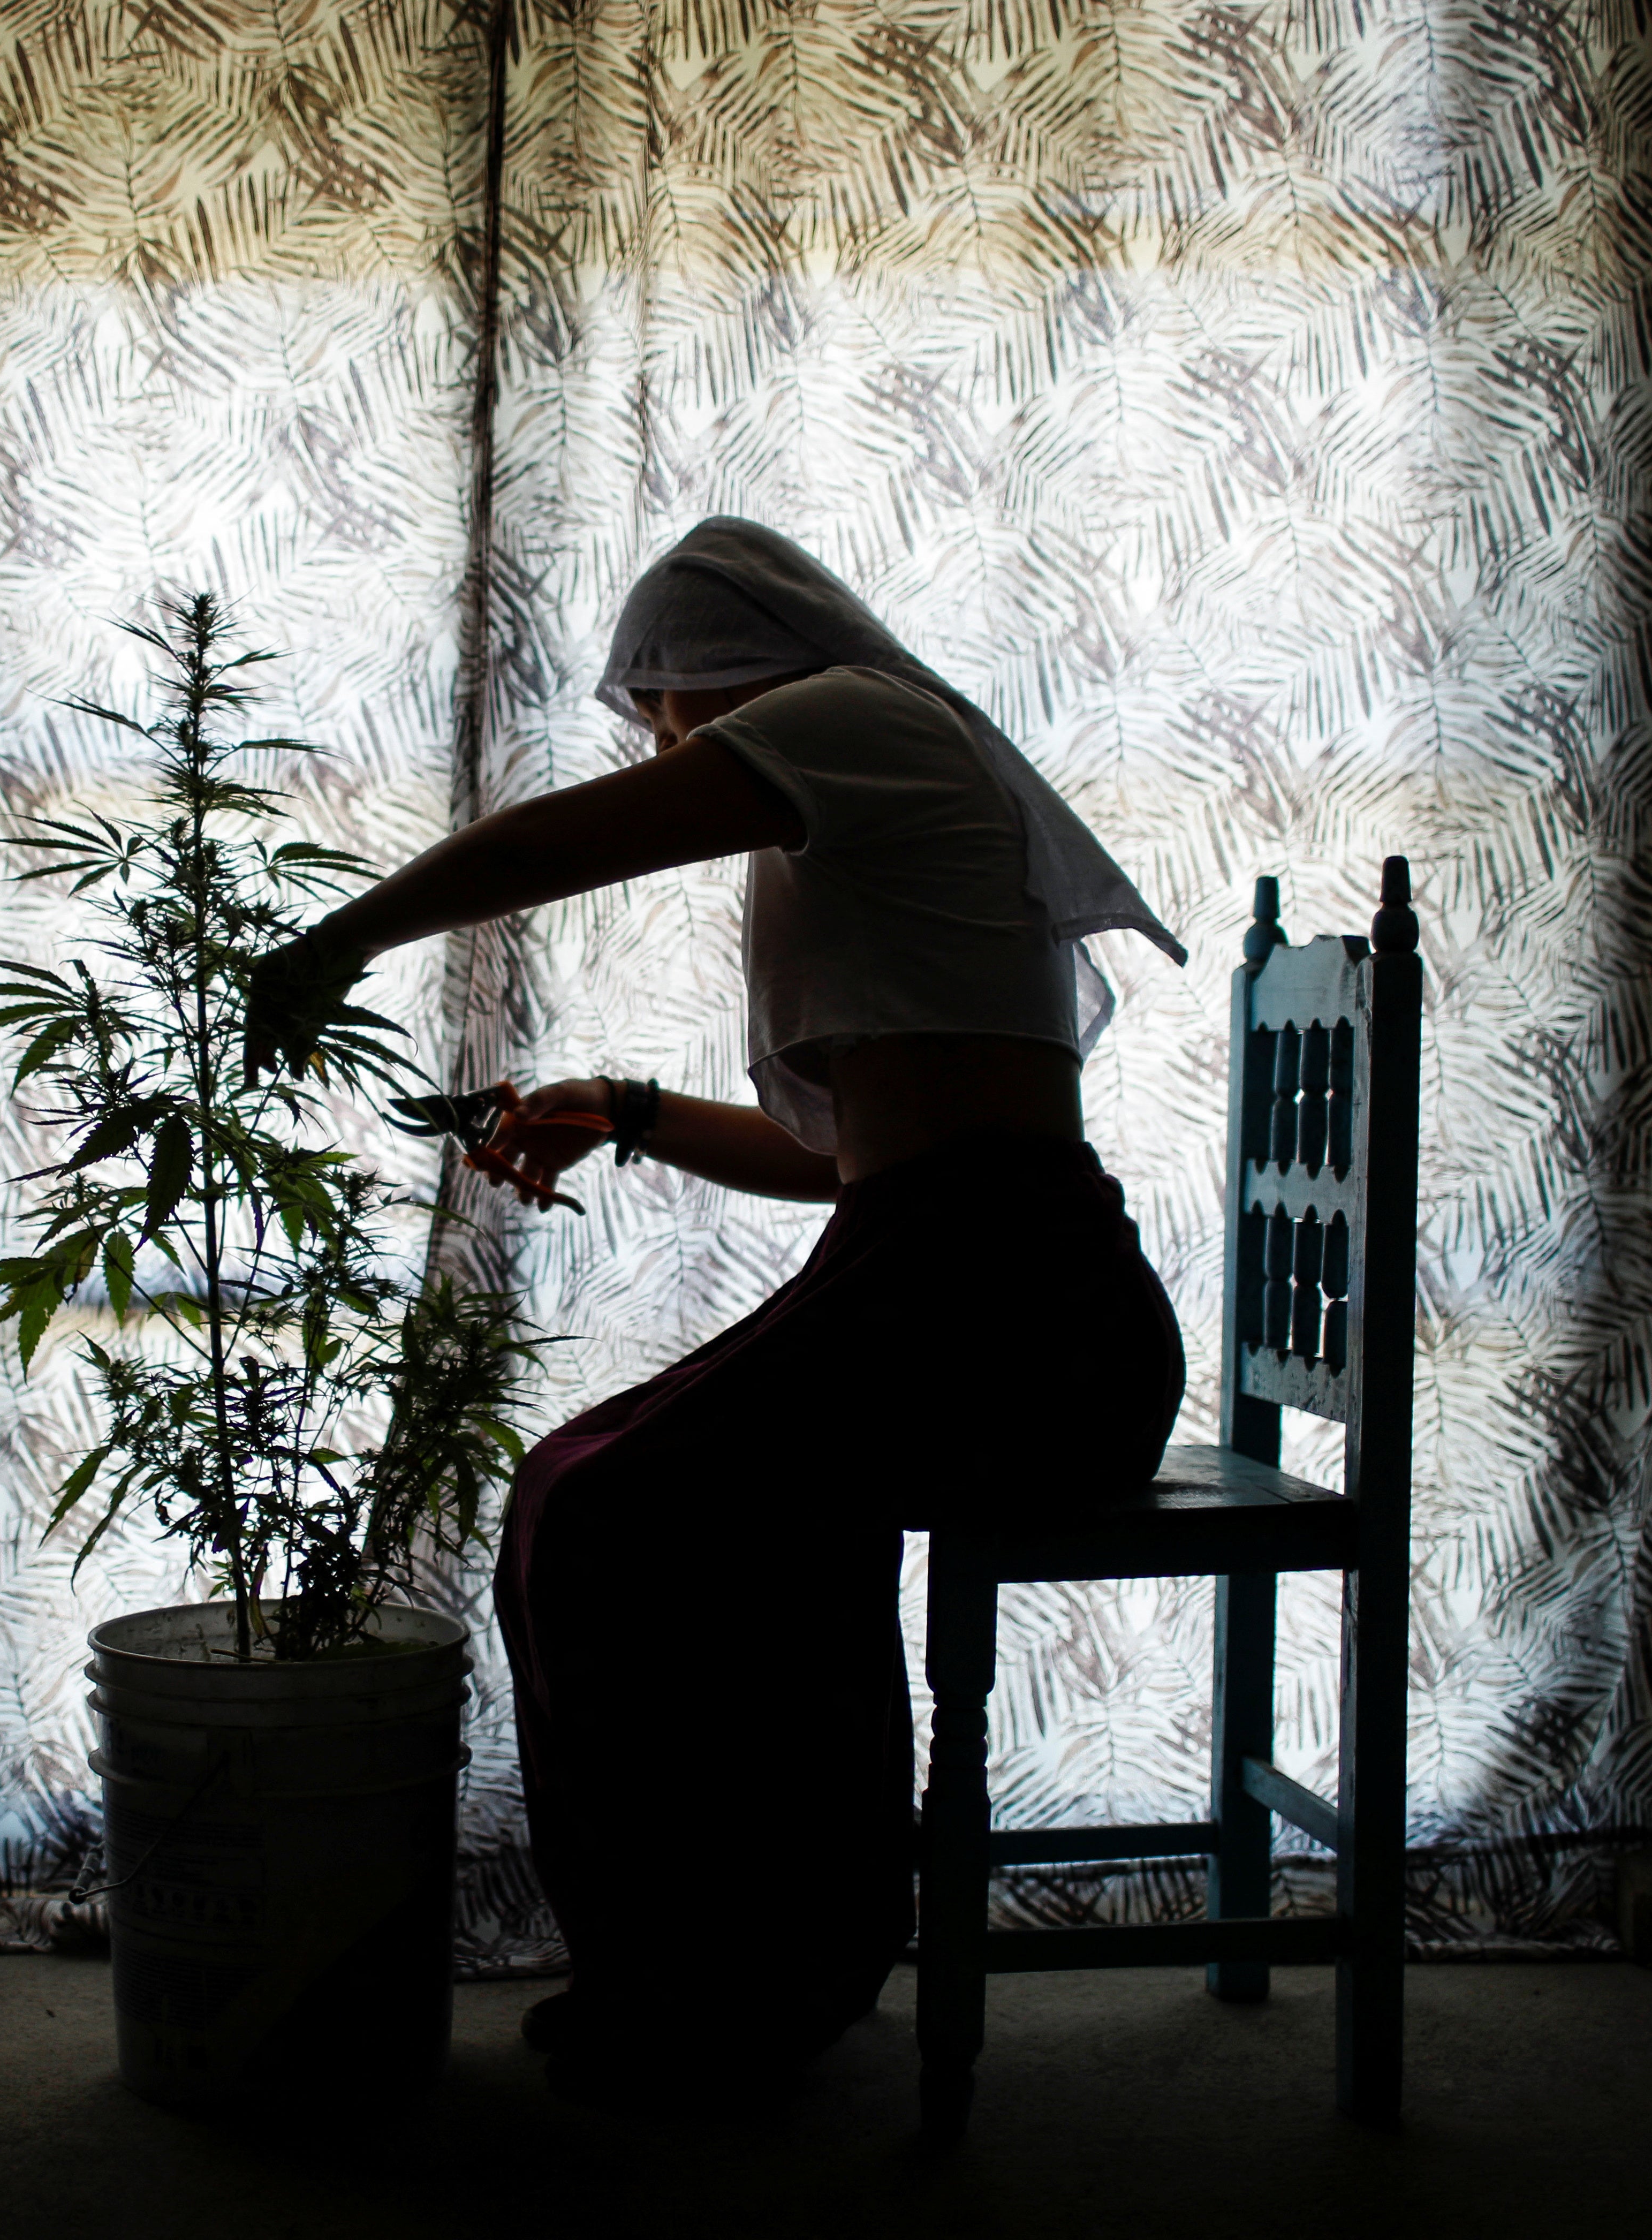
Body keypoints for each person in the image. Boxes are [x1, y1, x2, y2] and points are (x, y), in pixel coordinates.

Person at [246, 517, 1192, 2101]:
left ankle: (723, 1977)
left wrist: (345, 938)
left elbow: (575, 837)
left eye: (668, 720)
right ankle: (755, 1958)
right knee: (594, 1485)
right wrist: (616, 1108)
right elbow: (841, 1162)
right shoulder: (872, 788)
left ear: (712, 677)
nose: (671, 751)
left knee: (617, 1508)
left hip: (1009, 1302)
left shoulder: (855, 718)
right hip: (957, 1279)